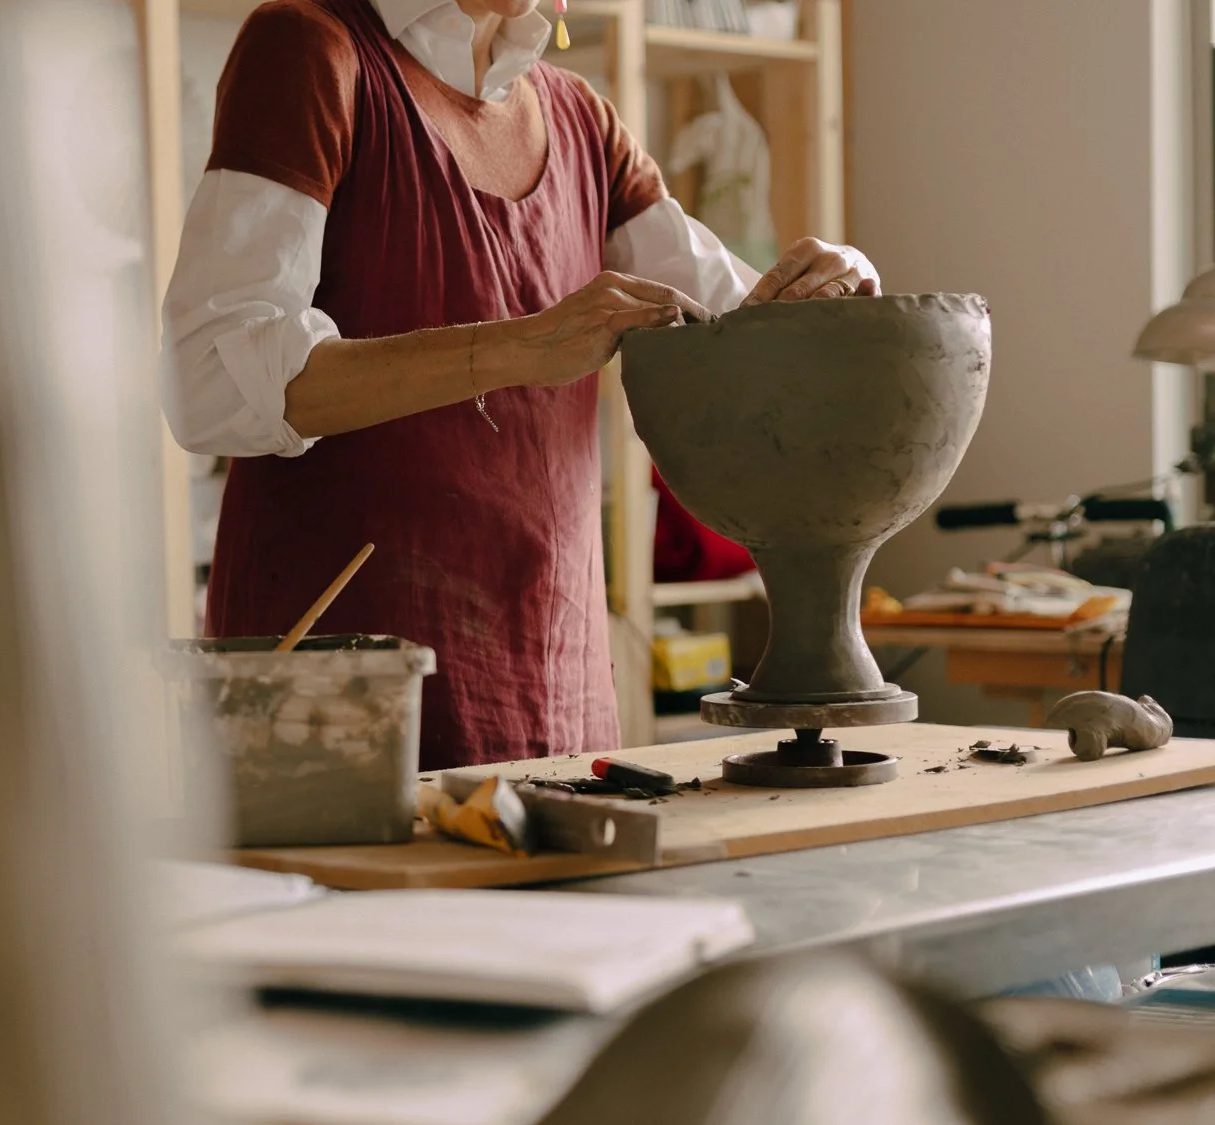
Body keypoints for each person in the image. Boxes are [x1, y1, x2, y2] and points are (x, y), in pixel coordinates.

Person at [161, 0, 879, 769]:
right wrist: (519, 346)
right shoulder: (310, 49)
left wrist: (841, 283)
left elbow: (752, 332)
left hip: (554, 691)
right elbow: (207, 376)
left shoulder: (580, 119)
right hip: (341, 710)